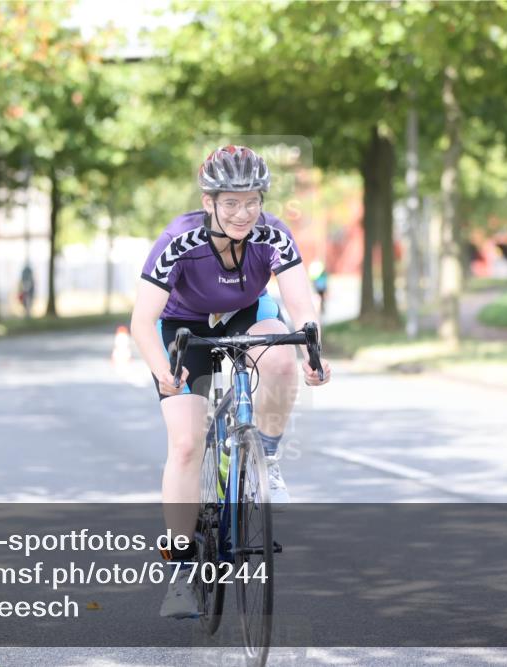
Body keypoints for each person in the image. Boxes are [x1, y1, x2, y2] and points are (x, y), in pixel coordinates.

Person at [131, 145, 332, 618]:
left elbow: (302, 309)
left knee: (281, 352)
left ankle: (267, 459)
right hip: (183, 326)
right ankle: (180, 573)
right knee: (185, 443)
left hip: (246, 314)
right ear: (209, 202)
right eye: (231, 203)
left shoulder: (274, 236)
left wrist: (313, 353)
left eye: (252, 201)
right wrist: (164, 371)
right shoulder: (178, 240)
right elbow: (142, 321)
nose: (244, 213)